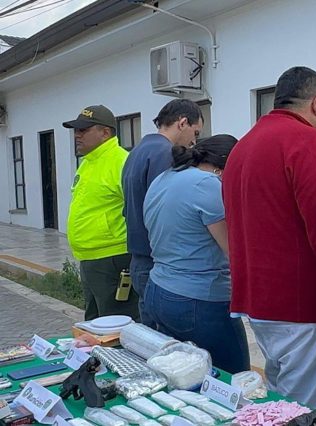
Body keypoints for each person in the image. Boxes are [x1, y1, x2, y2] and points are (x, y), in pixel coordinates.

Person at [223, 66, 316, 407]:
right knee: (309, 405)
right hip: (303, 305)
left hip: (259, 303)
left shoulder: (242, 148)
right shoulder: (308, 143)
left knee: (280, 392)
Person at [142, 134, 250, 373]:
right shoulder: (206, 184)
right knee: (232, 377)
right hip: (198, 300)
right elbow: (234, 251)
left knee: (181, 374)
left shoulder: (164, 177)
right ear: (224, 167)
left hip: (159, 289)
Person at [122, 99, 204, 328]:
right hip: (157, 262)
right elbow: (170, 213)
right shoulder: (166, 154)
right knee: (163, 343)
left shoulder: (137, 151)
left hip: (139, 258)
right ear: (183, 122)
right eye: (195, 133)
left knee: (148, 334)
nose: (193, 142)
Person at [64, 105, 139, 321]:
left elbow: (137, 210)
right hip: (90, 257)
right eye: (76, 130)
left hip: (113, 258)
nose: (77, 135)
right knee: (94, 323)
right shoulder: (87, 163)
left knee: (116, 325)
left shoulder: (120, 162)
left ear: (105, 133)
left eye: (84, 130)